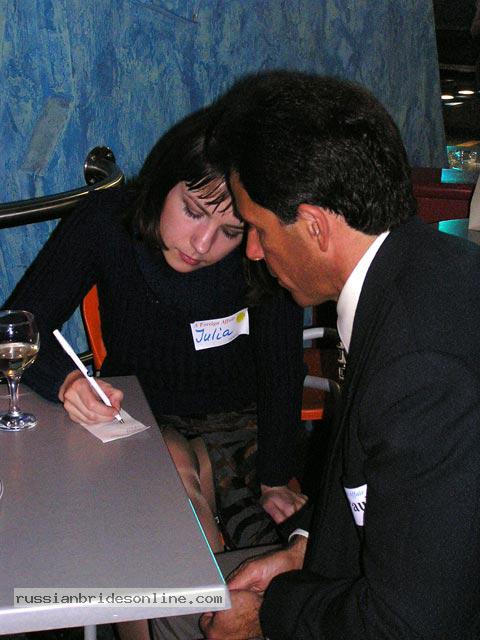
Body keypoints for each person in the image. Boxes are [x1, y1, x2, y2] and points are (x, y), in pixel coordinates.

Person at [165, 69, 480, 639]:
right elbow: (389, 489)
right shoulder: (428, 265)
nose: (253, 251)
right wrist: (303, 547)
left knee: (177, 610)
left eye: (256, 228)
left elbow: (408, 624)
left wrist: (267, 615)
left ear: (313, 225)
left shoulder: (420, 371)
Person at [5, 107, 308, 554]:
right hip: (138, 414)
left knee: (268, 552)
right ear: (164, 182)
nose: (202, 244)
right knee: (179, 521)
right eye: (193, 211)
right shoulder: (107, 222)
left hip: (244, 424)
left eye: (230, 231)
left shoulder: (262, 247)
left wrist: (275, 478)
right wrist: (66, 381)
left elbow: (281, 366)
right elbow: (16, 328)